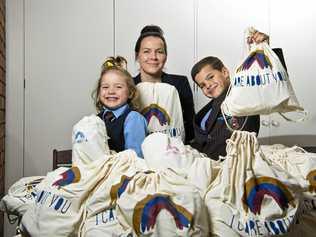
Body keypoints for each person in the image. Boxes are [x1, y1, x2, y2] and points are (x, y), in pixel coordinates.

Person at [190, 30, 286, 160]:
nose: (207, 85)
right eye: (202, 85)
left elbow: (273, 83)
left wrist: (265, 49)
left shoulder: (244, 94)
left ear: (224, 72)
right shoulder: (205, 113)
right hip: (206, 169)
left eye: (211, 77)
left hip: (237, 167)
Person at [133, 25, 195, 144]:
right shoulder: (128, 85)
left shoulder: (180, 84)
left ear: (165, 56)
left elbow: (190, 125)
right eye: (146, 51)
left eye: (159, 52)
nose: (153, 57)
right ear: (137, 55)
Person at [92, 56, 148, 158]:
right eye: (105, 87)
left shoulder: (133, 119)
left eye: (118, 87)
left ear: (130, 92)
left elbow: (135, 158)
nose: (111, 91)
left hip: (125, 171)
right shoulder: (95, 120)